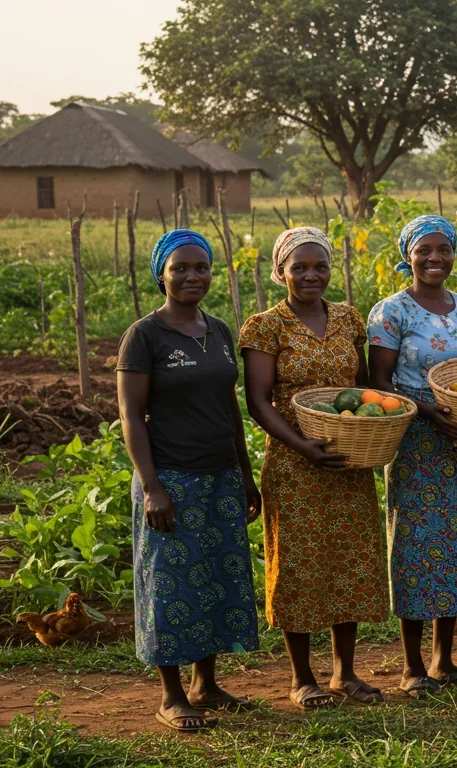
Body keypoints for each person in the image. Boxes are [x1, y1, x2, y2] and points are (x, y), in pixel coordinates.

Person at [117, 229, 260, 732]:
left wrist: (245, 475)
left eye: (201, 267)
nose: (192, 276)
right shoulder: (145, 335)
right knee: (170, 585)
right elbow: (132, 416)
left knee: (218, 580)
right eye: (181, 268)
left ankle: (207, 684)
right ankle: (172, 694)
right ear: (162, 274)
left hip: (220, 476)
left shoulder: (218, 330)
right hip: (171, 479)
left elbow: (230, 407)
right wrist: (152, 486)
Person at [240, 227, 389, 709]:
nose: (310, 275)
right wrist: (304, 447)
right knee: (300, 567)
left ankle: (344, 673)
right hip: (294, 462)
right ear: (281, 271)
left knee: (350, 562)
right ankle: (301, 677)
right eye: (298, 267)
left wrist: (370, 431)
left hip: (348, 458)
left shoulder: (348, 319)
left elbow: (363, 390)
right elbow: (258, 402)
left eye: (319, 266)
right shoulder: (267, 326)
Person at [368, 214, 457, 697]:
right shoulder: (392, 312)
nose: (434, 259)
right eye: (424, 250)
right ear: (408, 255)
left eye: (443, 249)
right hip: (418, 443)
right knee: (417, 543)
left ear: (454, 253)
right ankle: (411, 667)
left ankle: (444, 660)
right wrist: (427, 411)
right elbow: (379, 384)